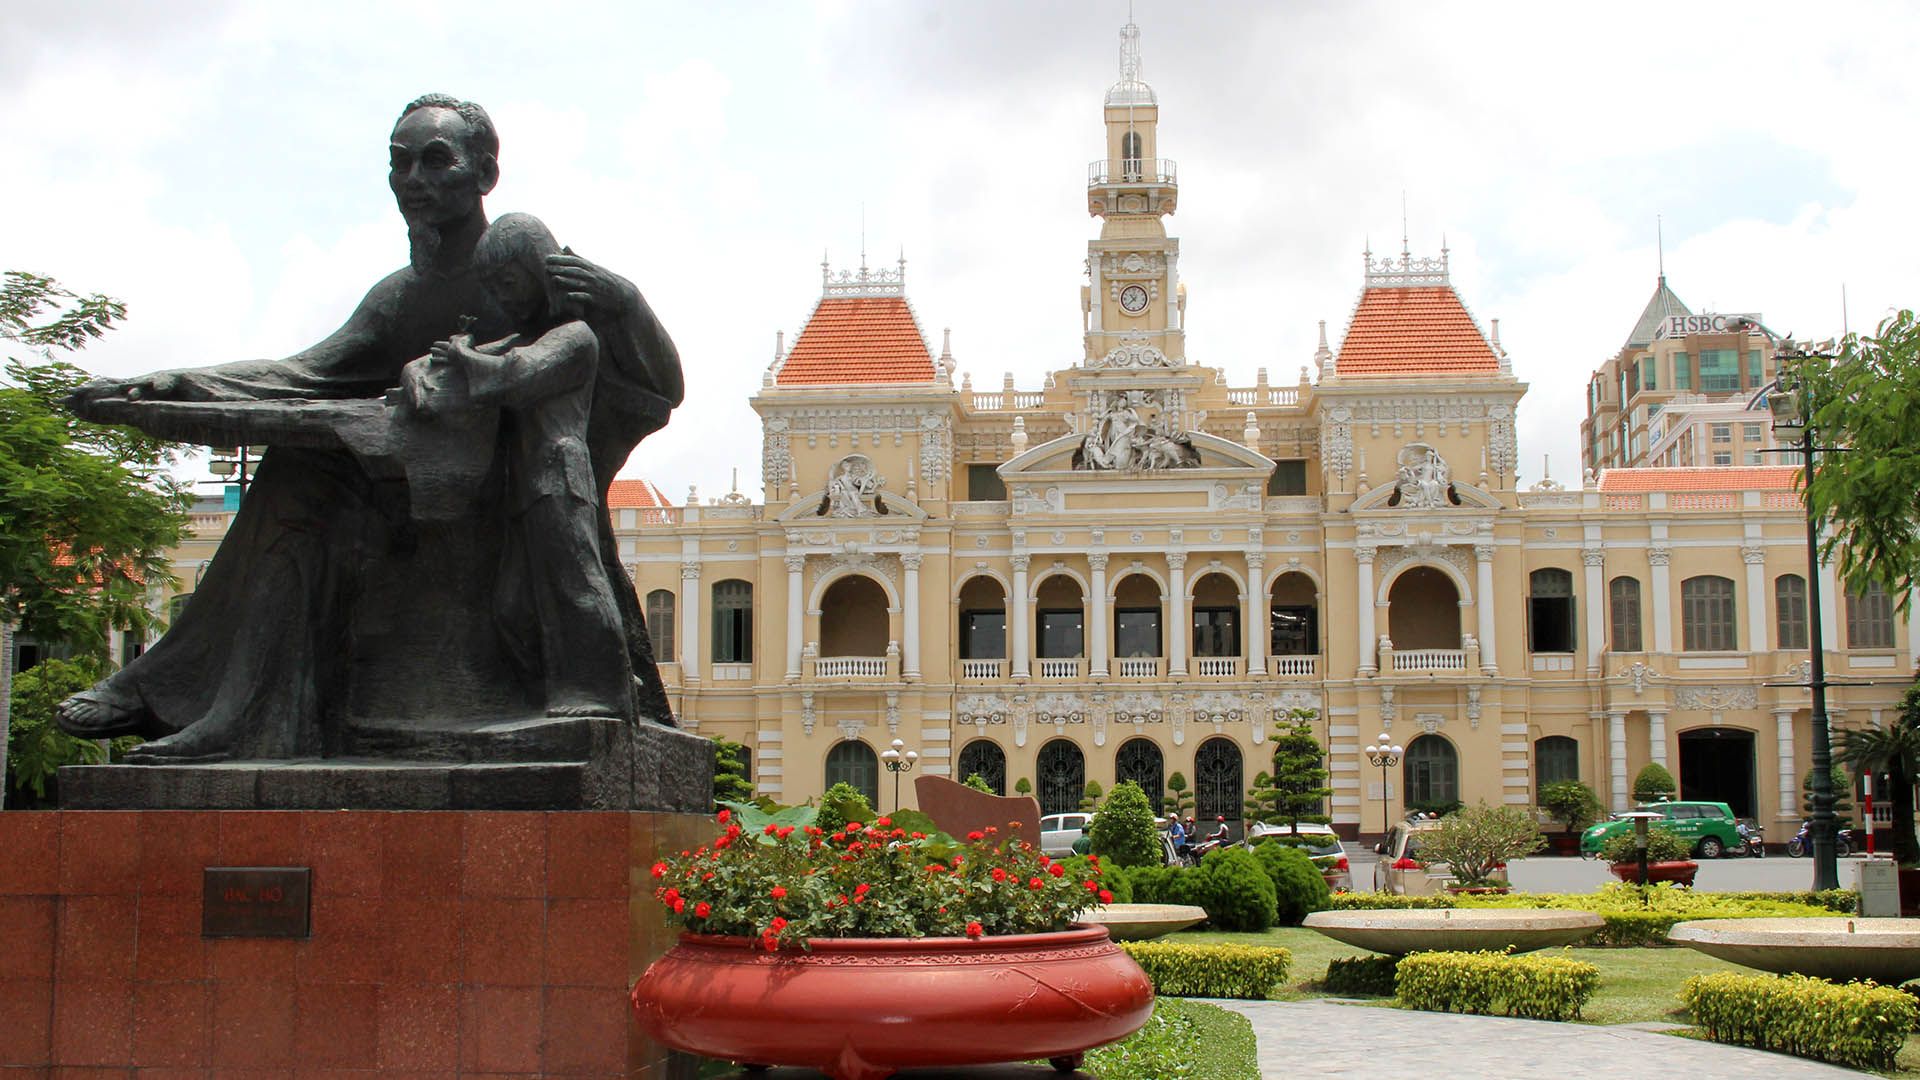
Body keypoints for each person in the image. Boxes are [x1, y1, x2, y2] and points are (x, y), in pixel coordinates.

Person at [58, 94, 680, 760]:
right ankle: (231, 712)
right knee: (296, 470)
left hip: (519, 511)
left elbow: (656, 385)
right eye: (400, 163)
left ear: (483, 174)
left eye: (436, 161)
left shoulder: (532, 266)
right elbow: (300, 373)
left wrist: (626, 304)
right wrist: (182, 383)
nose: (413, 180)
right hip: (407, 503)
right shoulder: (399, 297)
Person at [409, 212, 628, 717]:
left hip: (560, 475)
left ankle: (603, 692)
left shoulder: (575, 336)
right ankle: (553, 688)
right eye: (494, 289)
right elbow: (444, 363)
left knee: (576, 585)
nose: (503, 299)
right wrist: (425, 366)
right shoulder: (517, 339)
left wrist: (464, 356)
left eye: (509, 284)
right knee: (510, 605)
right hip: (524, 483)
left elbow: (516, 376)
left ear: (537, 274)